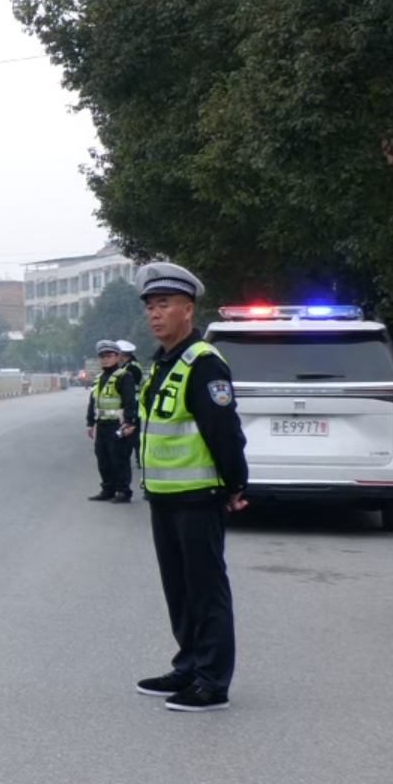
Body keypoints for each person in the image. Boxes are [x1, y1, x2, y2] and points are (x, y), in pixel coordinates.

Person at [133, 262, 247, 713]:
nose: (154, 314)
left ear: (187, 309)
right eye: (150, 306)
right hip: (164, 496)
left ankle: (212, 681)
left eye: (164, 305)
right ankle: (188, 665)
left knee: (205, 590)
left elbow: (224, 430)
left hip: (199, 496)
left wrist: (236, 483)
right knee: (179, 590)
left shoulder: (204, 362)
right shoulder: (163, 363)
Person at [85, 340, 139, 502]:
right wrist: (90, 423)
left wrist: (129, 422)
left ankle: (123, 491)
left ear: (117, 357)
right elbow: (93, 401)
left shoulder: (124, 376)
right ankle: (107, 489)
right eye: (102, 356)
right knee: (103, 458)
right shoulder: (99, 378)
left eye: (109, 355)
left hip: (118, 424)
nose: (105, 359)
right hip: (102, 424)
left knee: (119, 458)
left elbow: (130, 401)